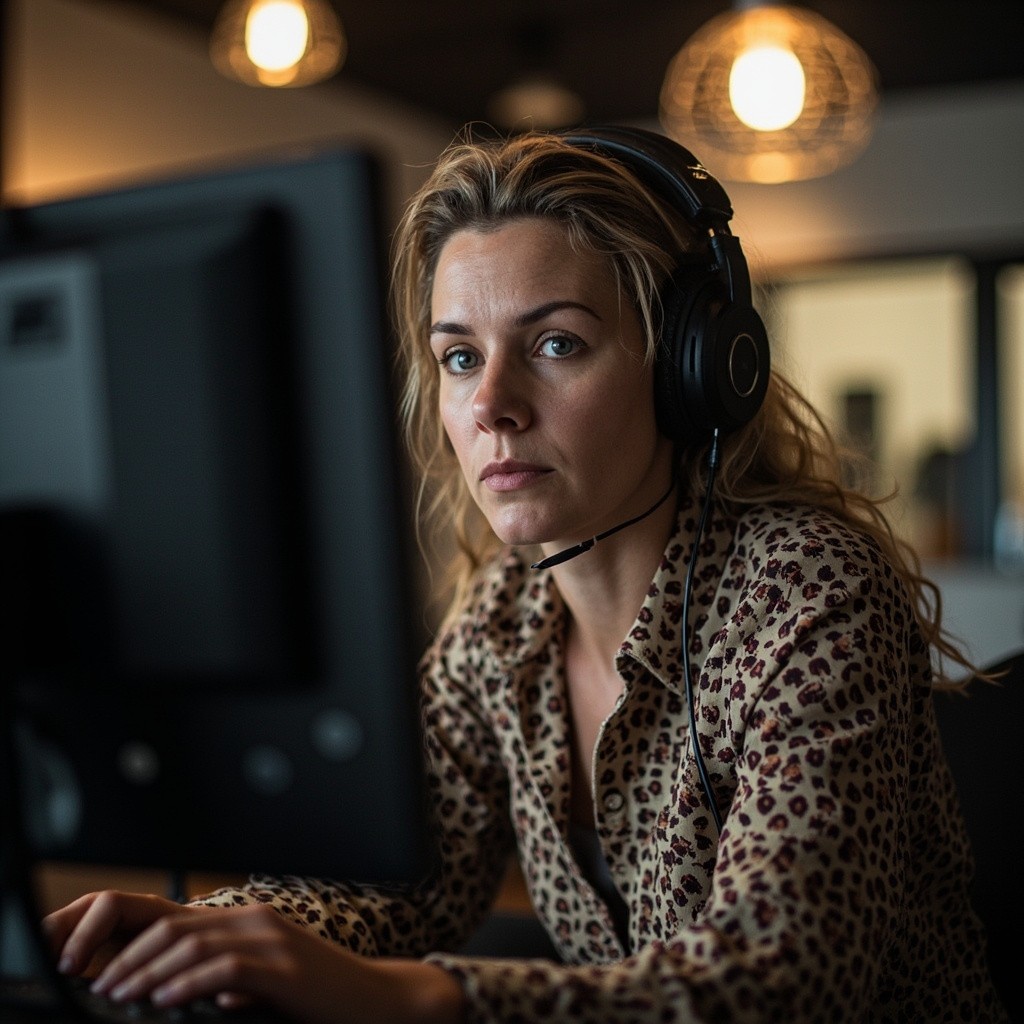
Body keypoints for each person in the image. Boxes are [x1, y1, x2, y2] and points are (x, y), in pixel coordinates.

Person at [42, 126, 1005, 1023]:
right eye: (460, 357)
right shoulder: (503, 616)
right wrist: (215, 930)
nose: (492, 404)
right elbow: (405, 880)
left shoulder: (807, 591)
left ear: (686, 371)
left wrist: (422, 1001)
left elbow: (786, 978)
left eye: (556, 344)